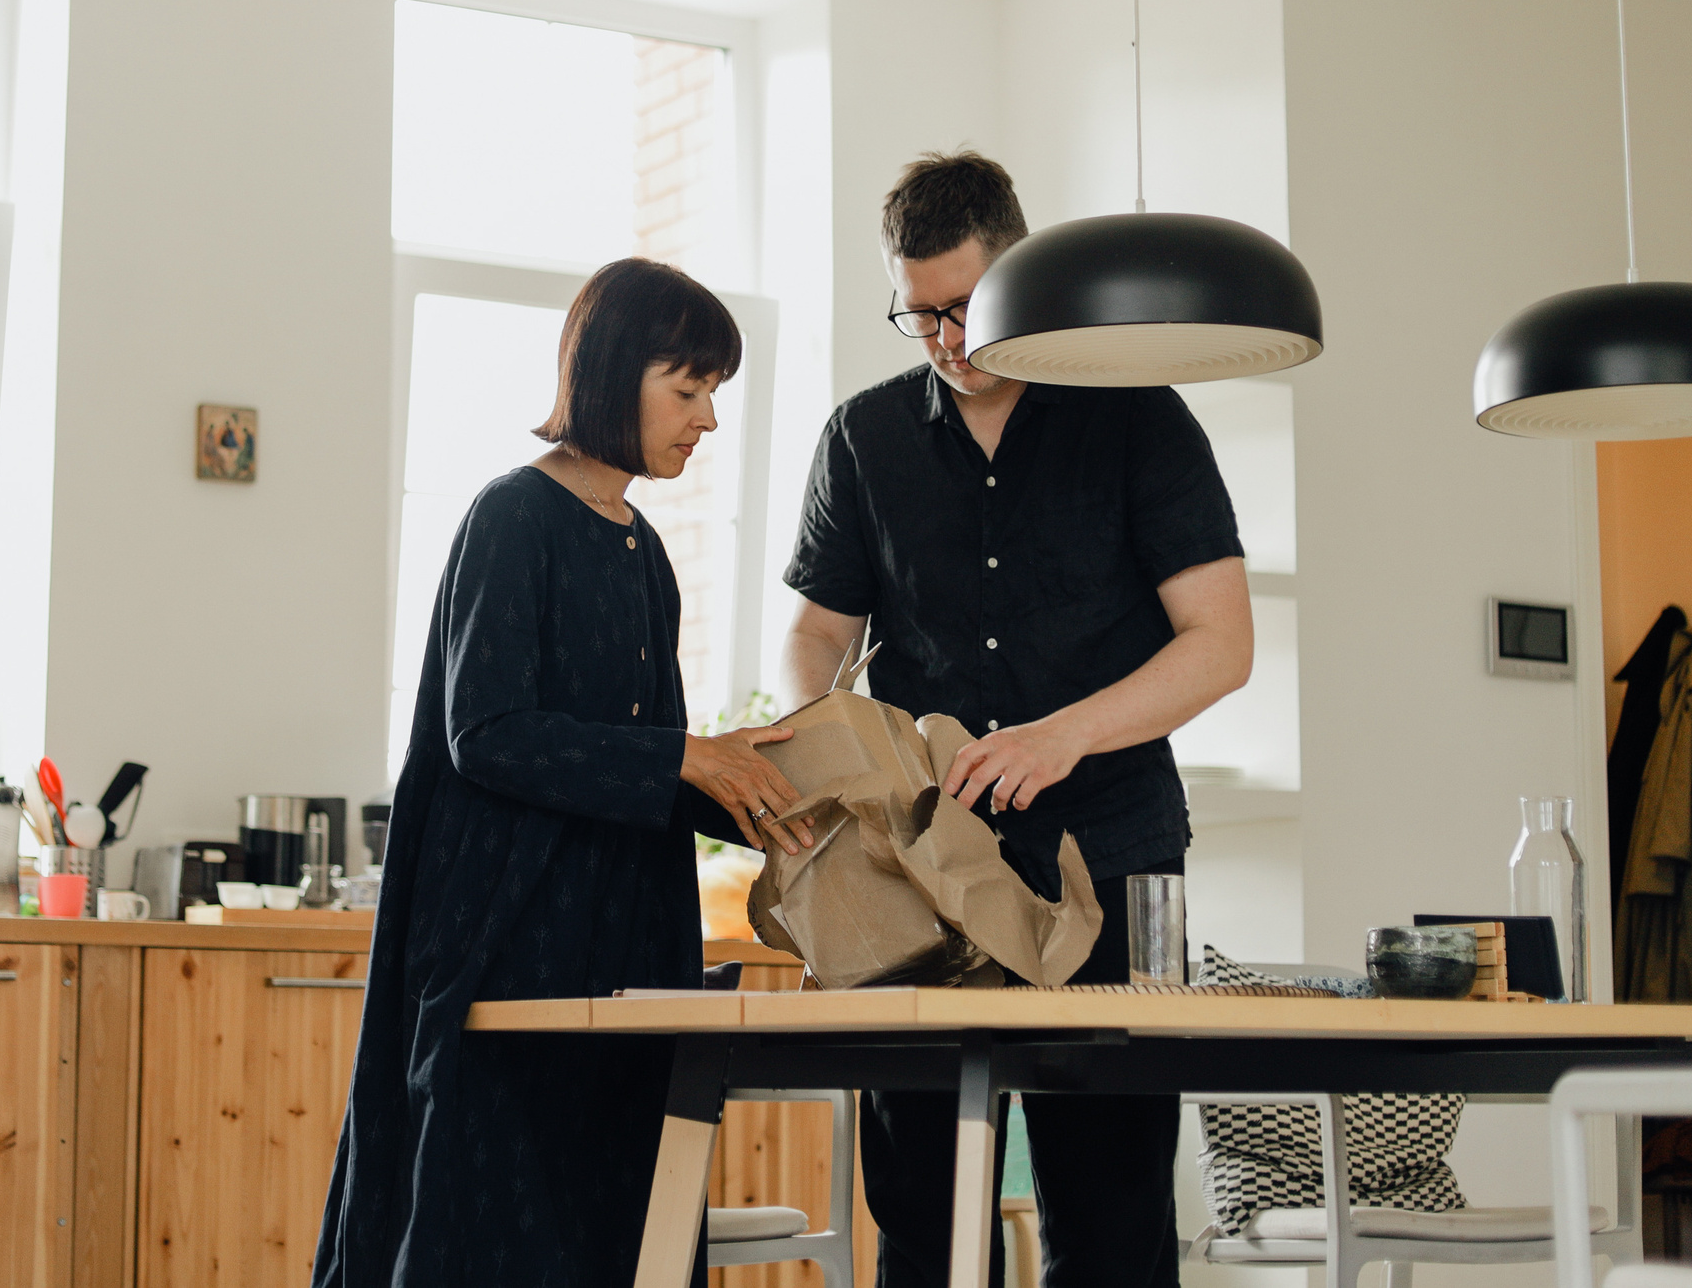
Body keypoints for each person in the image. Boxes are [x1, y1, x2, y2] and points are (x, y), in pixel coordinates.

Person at [777, 151, 1253, 1288]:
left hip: (1117, 853)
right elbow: (813, 636)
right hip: (919, 871)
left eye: (963, 308)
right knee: (926, 1217)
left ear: (1019, 277)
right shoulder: (862, 439)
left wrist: (1063, 734)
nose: (944, 339)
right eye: (918, 314)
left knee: (1111, 1213)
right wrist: (833, 740)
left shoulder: (1138, 418)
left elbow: (1220, 644)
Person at [315, 256, 815, 1288]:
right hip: (508, 951)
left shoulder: (645, 553)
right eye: (689, 390)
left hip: (624, 954)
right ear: (611, 374)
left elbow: (643, 772)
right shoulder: (512, 519)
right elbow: (486, 732)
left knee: (617, 1233)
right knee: (483, 1238)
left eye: (714, 394)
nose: (707, 421)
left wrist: (769, 804)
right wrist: (687, 755)